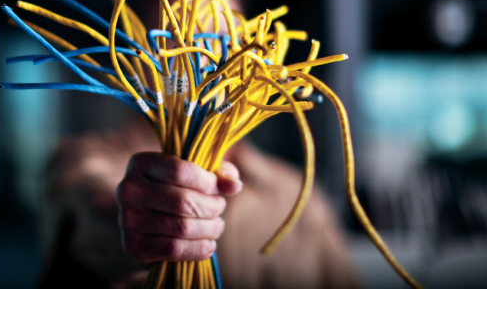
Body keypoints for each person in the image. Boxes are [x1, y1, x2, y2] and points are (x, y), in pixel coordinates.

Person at [38, 114, 361, 288]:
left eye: (218, 36)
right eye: (176, 36)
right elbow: (89, 209)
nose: (201, 54)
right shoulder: (85, 157)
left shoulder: (295, 191)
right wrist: (131, 220)